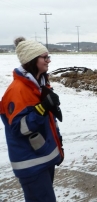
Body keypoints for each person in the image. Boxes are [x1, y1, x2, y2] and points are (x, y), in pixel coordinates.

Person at [0, 37, 64, 202]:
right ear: (33, 60)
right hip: (31, 164)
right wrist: (42, 108)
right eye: (45, 57)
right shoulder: (18, 91)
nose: (49, 60)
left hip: (42, 159)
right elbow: (18, 128)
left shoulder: (38, 84)